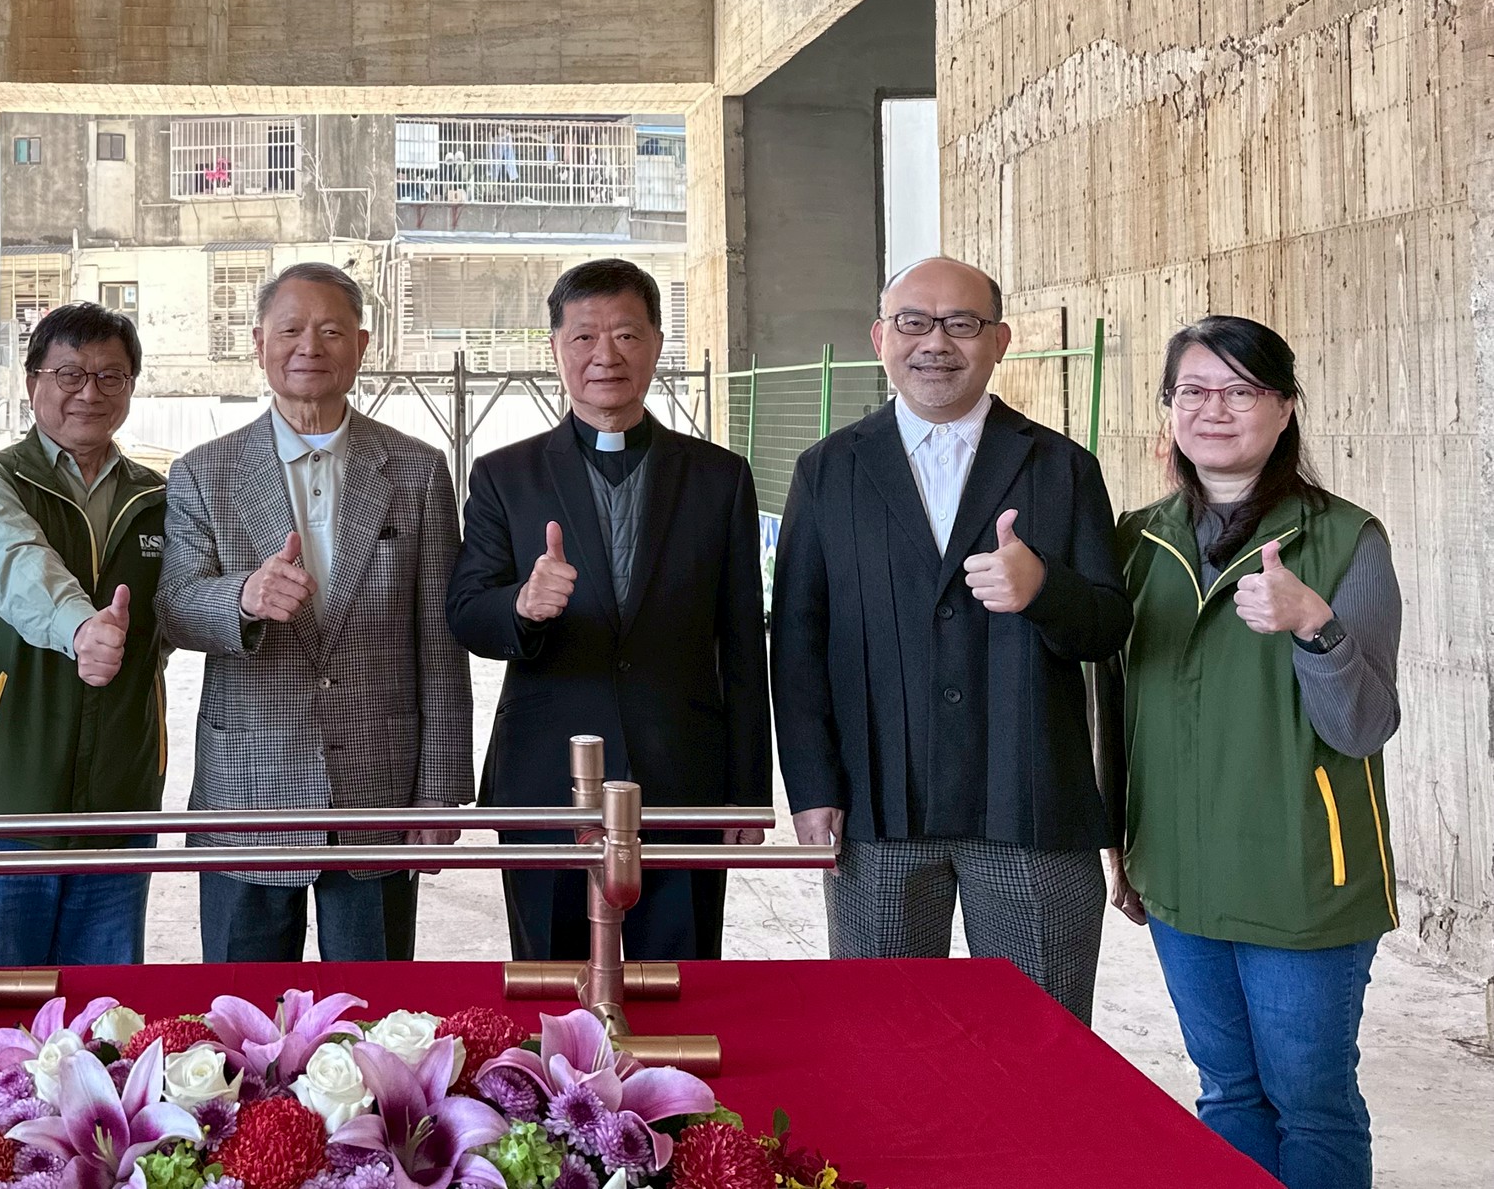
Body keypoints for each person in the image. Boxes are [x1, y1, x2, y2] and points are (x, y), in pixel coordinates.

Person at [770, 256, 1129, 1022]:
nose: (936, 342)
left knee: (1041, 1044)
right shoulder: (828, 471)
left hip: (1032, 805)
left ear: (999, 340)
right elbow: (798, 644)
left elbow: (1108, 627)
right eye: (914, 322)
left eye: (962, 323)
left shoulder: (1062, 468)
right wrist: (813, 786)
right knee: (884, 1039)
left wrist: (1045, 589)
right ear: (880, 338)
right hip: (878, 808)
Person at [1100, 317, 1401, 1189]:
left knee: (1311, 1102)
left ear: (1285, 407)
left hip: (1303, 879)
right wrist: (1123, 843)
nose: (1215, 409)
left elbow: (1363, 726)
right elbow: (1114, 710)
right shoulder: (1135, 541)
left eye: (1241, 390)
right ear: (1168, 407)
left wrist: (1315, 626)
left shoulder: (1346, 538)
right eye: (1193, 390)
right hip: (1180, 873)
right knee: (1227, 1092)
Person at [447, 259, 771, 961]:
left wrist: (747, 793)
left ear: (656, 343)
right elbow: (467, 611)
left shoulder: (718, 477)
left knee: (681, 979)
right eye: (584, 336)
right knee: (552, 981)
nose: (605, 355)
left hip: (682, 774)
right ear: (555, 348)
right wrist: (523, 605)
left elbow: (745, 645)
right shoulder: (505, 475)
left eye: (625, 334)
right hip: (544, 776)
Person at [157, 261, 473, 961]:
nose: (310, 346)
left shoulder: (416, 470)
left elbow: (439, 641)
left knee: (376, 1012)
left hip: (379, 788)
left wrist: (439, 790)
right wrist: (242, 597)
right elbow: (175, 606)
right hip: (249, 788)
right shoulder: (204, 471)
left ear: (361, 345)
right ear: (258, 343)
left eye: (331, 331)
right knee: (238, 1009)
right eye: (291, 329)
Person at [0, 301, 167, 965]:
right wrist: (81, 627)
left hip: (120, 804)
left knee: (107, 1011)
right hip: (1, 802)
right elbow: (16, 564)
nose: (89, 392)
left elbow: (179, 613)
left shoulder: (160, 499)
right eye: (69, 374)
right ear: (33, 380)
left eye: (110, 376)